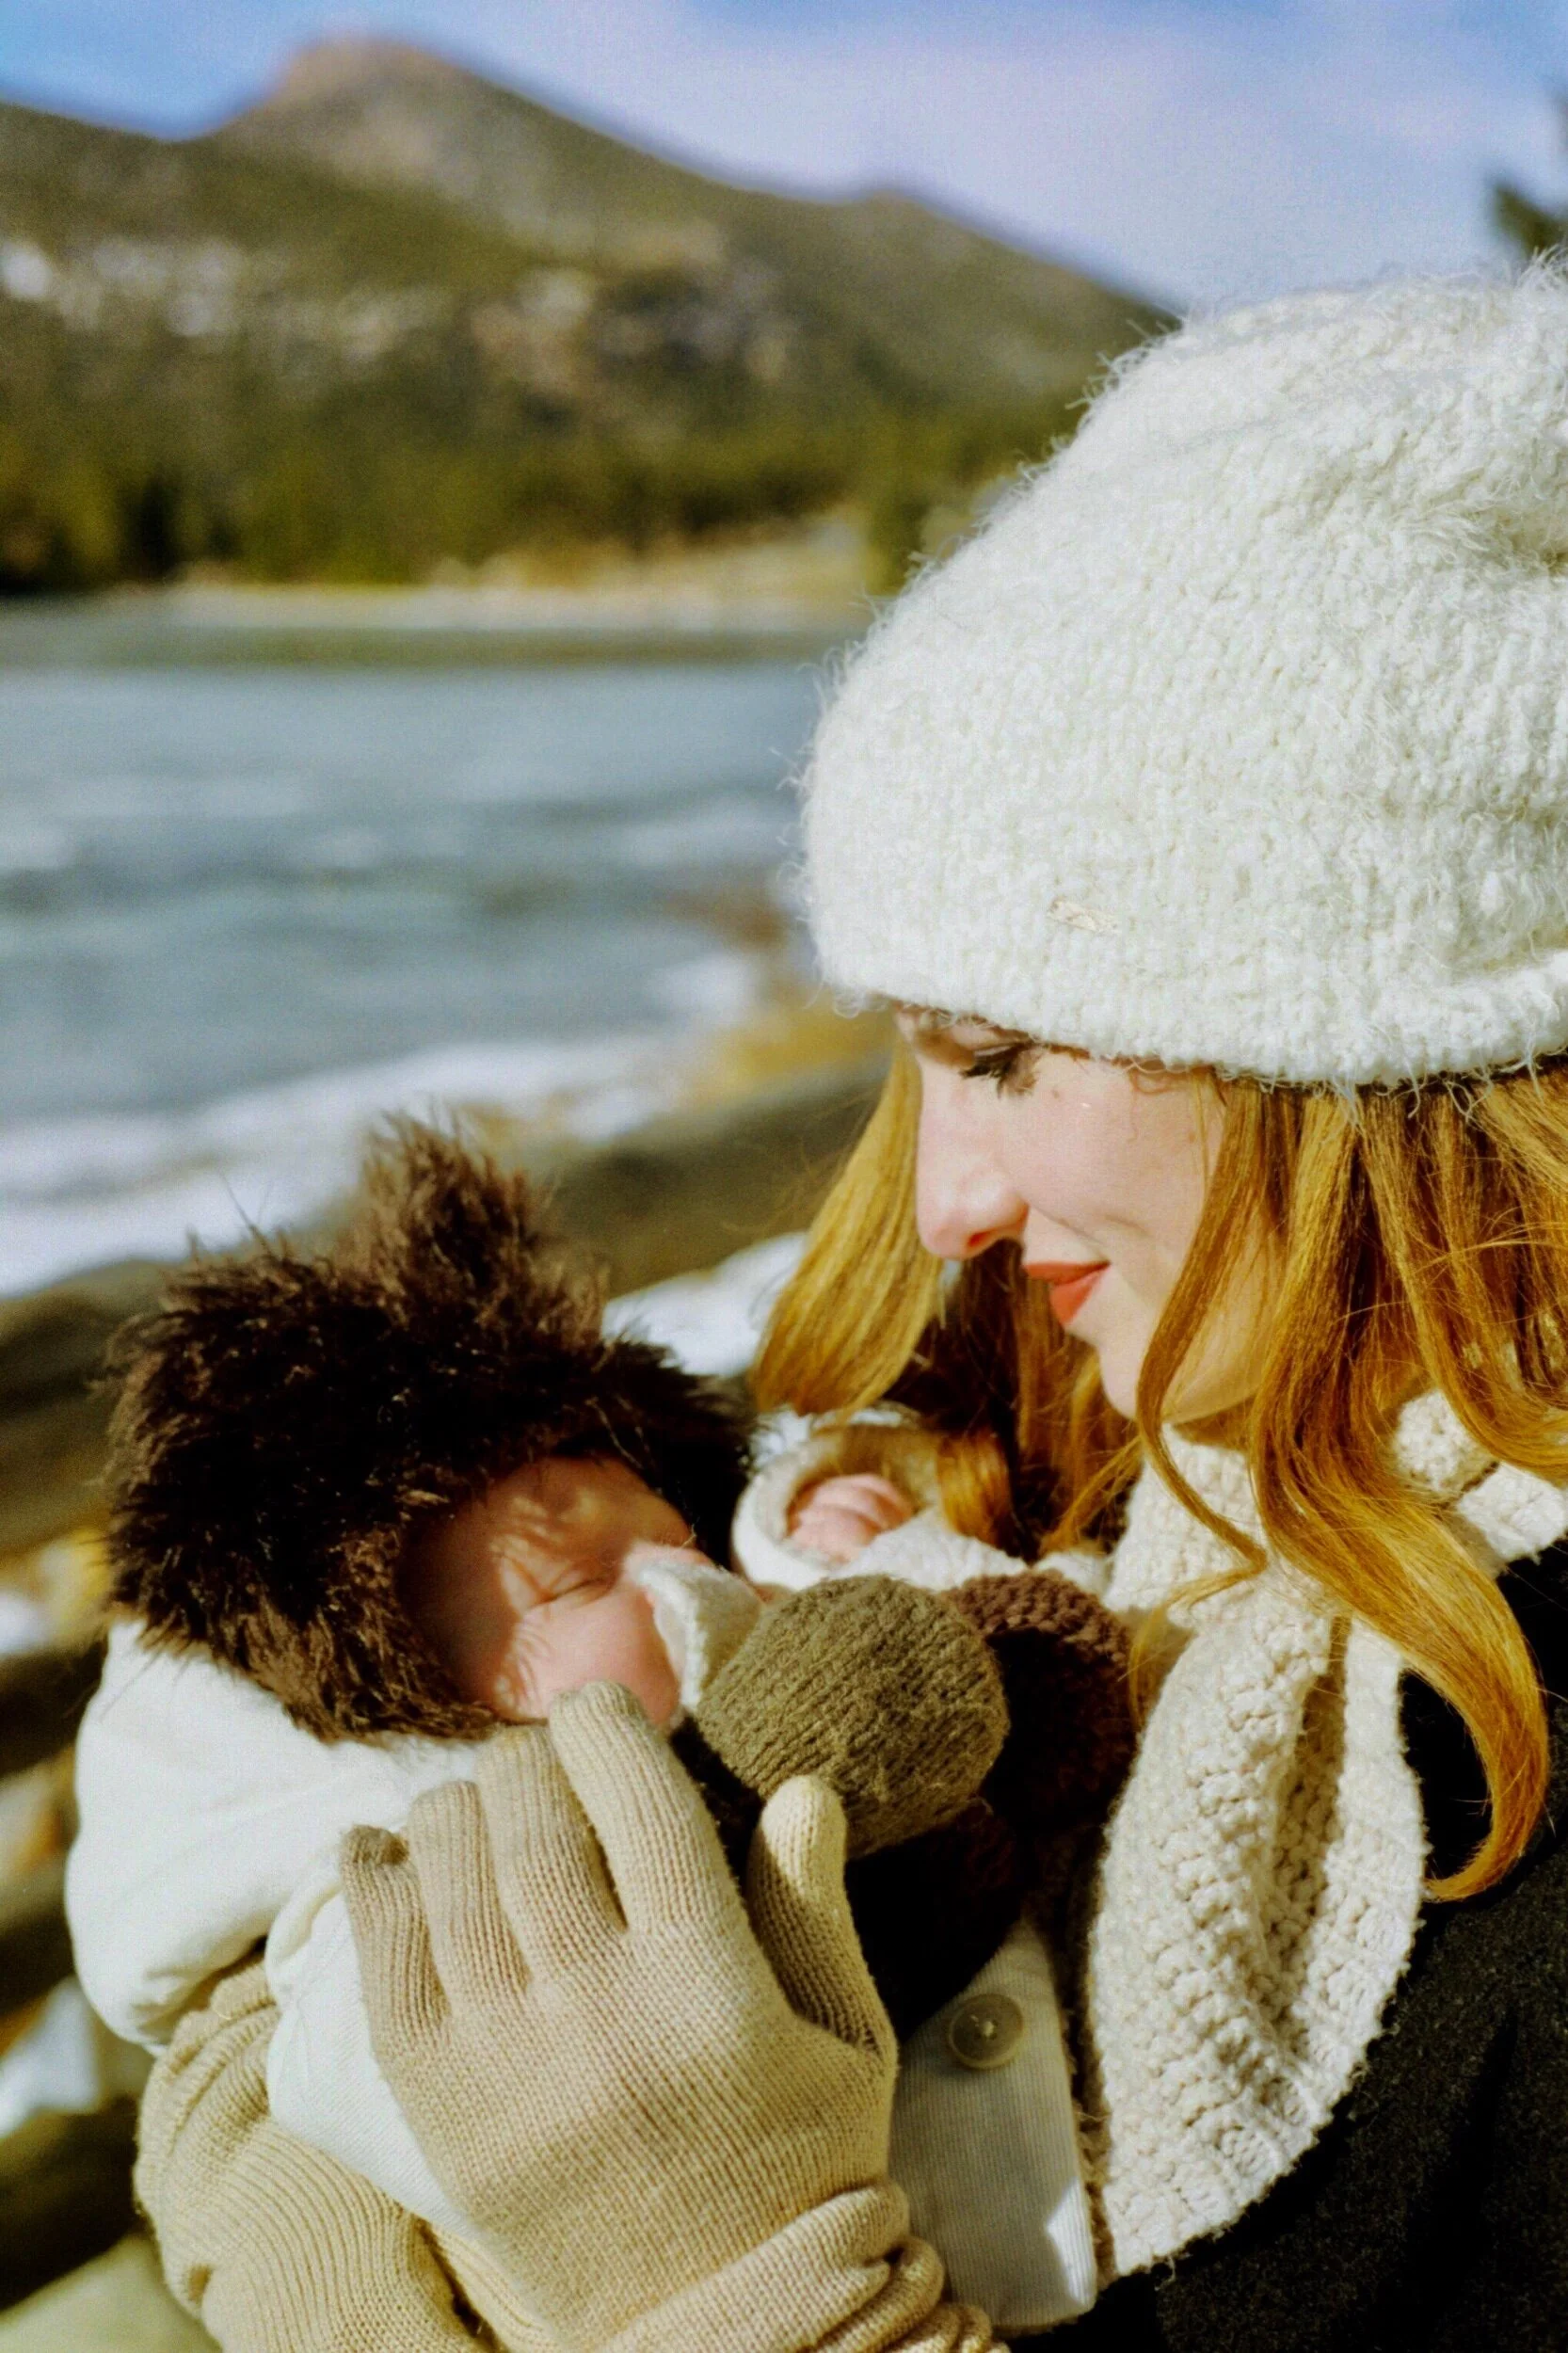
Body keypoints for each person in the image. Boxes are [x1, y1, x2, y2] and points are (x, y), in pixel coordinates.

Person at [133, 267, 1568, 2350]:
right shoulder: (1070, 1427)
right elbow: (256, 1959)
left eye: (999, 1055)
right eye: (911, 1061)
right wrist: (292, 2095)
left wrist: (735, 2284)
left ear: (1346, 1036)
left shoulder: (1511, 1864)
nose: (943, 1202)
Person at [73, 1129, 1126, 2345]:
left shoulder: (739, 1687)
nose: (685, 1575)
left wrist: (813, 1535)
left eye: (681, 1535)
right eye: (576, 1580)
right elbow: (406, 2125)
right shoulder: (375, 1943)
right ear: (405, 1720)